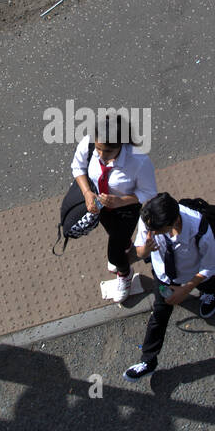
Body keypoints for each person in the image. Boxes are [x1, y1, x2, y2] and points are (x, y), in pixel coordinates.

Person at [122, 192, 215, 381]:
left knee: (208, 282)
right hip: (164, 275)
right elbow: (140, 251)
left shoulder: (200, 230)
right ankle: (148, 361)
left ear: (175, 222)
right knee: (159, 315)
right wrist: (146, 250)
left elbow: (210, 266)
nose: (153, 233)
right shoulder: (150, 219)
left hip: (194, 271)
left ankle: (209, 293)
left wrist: (186, 289)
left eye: (158, 231)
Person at [70, 113, 157, 304]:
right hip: (100, 205)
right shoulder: (89, 144)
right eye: (99, 149)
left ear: (122, 145)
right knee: (115, 235)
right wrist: (87, 193)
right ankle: (126, 247)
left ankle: (125, 274)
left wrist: (120, 201)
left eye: (108, 152)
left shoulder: (139, 161)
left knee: (114, 254)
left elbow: (149, 193)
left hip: (126, 210)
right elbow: (78, 168)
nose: (101, 156)